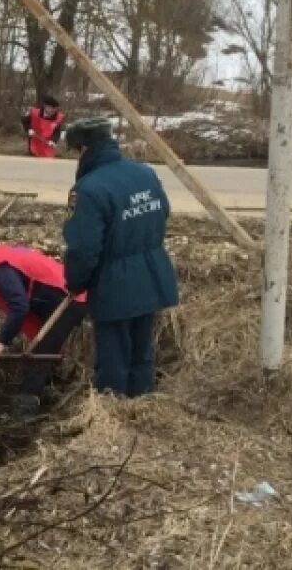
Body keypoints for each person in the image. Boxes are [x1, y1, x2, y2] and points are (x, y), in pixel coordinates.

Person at [61, 117, 179, 398]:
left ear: (83, 149)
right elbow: (163, 213)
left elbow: (82, 248)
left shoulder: (87, 190)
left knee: (113, 356)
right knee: (141, 351)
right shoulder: (145, 174)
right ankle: (142, 406)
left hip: (115, 285)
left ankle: (113, 417)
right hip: (152, 275)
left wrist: (75, 282)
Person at [0, 233, 88, 400]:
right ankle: (50, 388)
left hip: (68, 299)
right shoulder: (2, 254)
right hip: (59, 293)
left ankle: (26, 405)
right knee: (46, 351)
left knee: (41, 353)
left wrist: (2, 342)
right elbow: (16, 286)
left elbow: (19, 306)